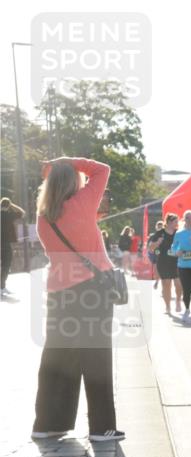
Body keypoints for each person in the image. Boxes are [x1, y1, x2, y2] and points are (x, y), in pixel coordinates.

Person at [32, 157, 124, 442]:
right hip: (91, 290)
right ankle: (101, 427)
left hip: (58, 292)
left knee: (57, 356)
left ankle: (47, 423)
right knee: (96, 355)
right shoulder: (82, 206)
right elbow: (103, 170)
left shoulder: (43, 216)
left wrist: (58, 166)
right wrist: (68, 160)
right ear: (75, 181)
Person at [148, 214, 182, 314]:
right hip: (163, 262)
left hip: (177, 262)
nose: (177, 224)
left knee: (179, 284)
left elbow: (184, 245)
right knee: (166, 284)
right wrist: (157, 243)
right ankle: (167, 306)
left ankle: (178, 301)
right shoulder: (159, 233)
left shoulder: (179, 233)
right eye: (176, 221)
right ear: (169, 222)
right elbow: (150, 248)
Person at [2, 197, 25, 297]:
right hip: (5, 243)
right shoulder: (9, 215)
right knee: (6, 264)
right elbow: (22, 212)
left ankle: (2, 286)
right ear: (8, 206)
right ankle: (2, 287)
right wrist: (12, 205)